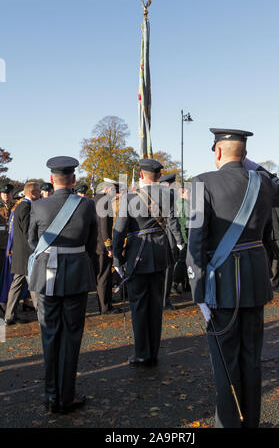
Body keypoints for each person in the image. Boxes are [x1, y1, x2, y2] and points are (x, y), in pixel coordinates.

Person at [186, 128, 279, 428]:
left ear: (217, 152)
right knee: (252, 360)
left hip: (220, 286)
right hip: (255, 282)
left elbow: (195, 242)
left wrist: (198, 291)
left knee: (225, 364)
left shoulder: (200, 183)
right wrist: (254, 166)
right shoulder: (259, 181)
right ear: (244, 154)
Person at [28, 157, 98, 414]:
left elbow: (33, 241)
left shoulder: (39, 206)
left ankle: (50, 396)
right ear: (74, 180)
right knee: (71, 336)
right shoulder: (87, 205)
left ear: (51, 180)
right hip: (76, 273)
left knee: (49, 334)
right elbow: (92, 242)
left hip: (46, 275)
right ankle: (66, 396)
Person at [113, 159, 185, 366]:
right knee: (155, 305)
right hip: (161, 253)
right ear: (157, 175)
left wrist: (117, 258)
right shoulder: (169, 194)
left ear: (142, 176)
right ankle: (153, 351)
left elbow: (119, 231)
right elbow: (173, 223)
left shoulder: (129, 198)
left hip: (139, 254)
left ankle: (142, 353)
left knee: (138, 306)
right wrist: (179, 243)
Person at [4, 182, 40, 324]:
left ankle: (9, 316)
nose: (41, 194)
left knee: (16, 286)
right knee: (34, 286)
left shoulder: (21, 206)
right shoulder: (26, 207)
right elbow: (28, 233)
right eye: (38, 192)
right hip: (27, 255)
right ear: (32, 193)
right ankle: (42, 315)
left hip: (21, 254)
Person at [94, 179, 121, 315]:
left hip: (96, 243)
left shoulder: (95, 199)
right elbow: (104, 228)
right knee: (104, 277)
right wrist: (109, 247)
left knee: (103, 276)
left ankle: (106, 303)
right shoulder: (104, 202)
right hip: (102, 246)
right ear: (109, 189)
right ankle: (105, 307)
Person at [157, 173, 179, 310]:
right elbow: (172, 220)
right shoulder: (170, 195)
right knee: (168, 268)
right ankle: (164, 300)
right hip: (168, 236)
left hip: (156, 237)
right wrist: (180, 240)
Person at [0, 183, 15, 278]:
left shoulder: (17, 207)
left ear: (11, 194)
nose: (6, 195)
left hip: (12, 246)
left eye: (8, 193)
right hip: (0, 245)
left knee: (10, 272)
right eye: (3, 193)